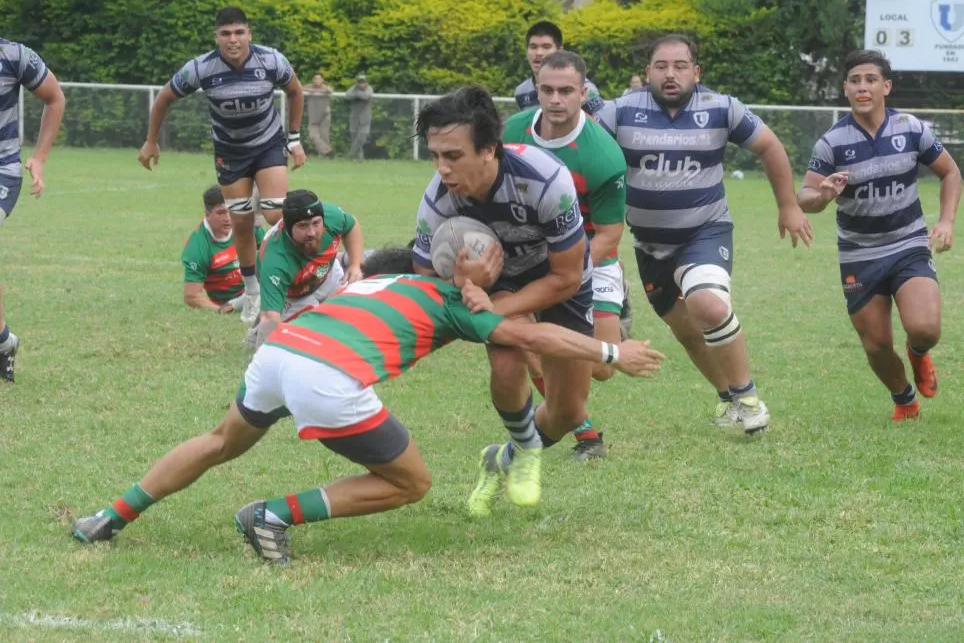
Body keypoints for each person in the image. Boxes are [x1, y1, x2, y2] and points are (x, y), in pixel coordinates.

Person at [71, 245, 666, 565]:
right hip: (326, 378)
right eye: (488, 257)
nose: (496, 265)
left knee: (220, 441)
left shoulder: (374, 281)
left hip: (281, 353)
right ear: (460, 263)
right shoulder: (453, 298)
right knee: (411, 482)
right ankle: (273, 515)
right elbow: (533, 338)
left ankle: (111, 516)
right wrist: (612, 354)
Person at [596, 33, 814, 434]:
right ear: (647, 74)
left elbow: (770, 147)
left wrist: (788, 205)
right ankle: (729, 400)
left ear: (696, 72)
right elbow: (586, 156)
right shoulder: (619, 112)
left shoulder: (721, 108)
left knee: (708, 306)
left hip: (705, 231)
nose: (670, 74)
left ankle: (748, 396)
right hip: (648, 244)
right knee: (686, 331)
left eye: (680, 66)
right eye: (661, 66)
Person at [412, 85, 598, 516]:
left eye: (453, 156)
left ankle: (501, 459)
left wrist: (494, 307)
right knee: (507, 357)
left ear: (489, 149)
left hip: (555, 278)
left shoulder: (545, 180)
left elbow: (566, 277)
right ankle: (527, 449)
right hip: (491, 284)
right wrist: (465, 283)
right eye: (435, 155)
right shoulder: (437, 201)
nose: (442, 169)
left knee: (569, 411)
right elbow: (424, 280)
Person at [796, 49, 962, 421]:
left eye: (871, 79)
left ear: (885, 86)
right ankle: (905, 400)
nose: (862, 87)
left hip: (908, 243)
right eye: (855, 80)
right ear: (846, 89)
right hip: (859, 253)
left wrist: (947, 221)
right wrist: (822, 194)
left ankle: (918, 353)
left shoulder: (911, 128)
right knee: (877, 345)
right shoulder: (832, 142)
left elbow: (950, 173)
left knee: (925, 329)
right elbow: (803, 198)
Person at [136, 6, 307, 326]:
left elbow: (296, 92)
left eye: (239, 32)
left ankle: (295, 281)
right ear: (216, 37)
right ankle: (254, 294)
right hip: (230, 153)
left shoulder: (271, 60)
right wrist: (151, 141)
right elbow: (163, 99)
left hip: (269, 145)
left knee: (273, 214)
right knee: (241, 224)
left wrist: (294, 139)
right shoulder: (200, 68)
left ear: (249, 34)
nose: (233, 40)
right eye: (226, 34)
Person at [502, 51, 628, 462]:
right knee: (527, 341)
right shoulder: (513, 132)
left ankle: (611, 317)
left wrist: (564, 270)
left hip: (591, 259)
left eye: (566, 91)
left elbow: (610, 234)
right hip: (526, 258)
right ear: (536, 88)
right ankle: (580, 428)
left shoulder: (603, 155)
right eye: (547, 90)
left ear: (583, 92)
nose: (556, 99)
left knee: (603, 368)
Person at [0, 38, 65, 383]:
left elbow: (55, 98)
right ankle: (4, 342)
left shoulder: (15, 56)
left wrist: (39, 157)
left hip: (2, 169)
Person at [254, 189, 364, 331]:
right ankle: (265, 313)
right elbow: (271, 320)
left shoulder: (331, 217)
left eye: (316, 223)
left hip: (329, 276)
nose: (311, 232)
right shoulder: (275, 260)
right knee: (295, 334)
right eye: (303, 226)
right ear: (288, 227)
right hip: (293, 296)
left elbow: (351, 225)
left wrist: (355, 265)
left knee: (355, 314)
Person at [182, 186, 267, 312]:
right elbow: (191, 296)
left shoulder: (244, 224)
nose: (227, 218)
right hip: (230, 301)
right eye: (221, 212)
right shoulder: (198, 246)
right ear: (207, 214)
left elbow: (269, 250)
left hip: (258, 285)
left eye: (230, 211)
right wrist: (219, 310)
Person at [513, 21, 604, 116]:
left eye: (546, 47)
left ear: (560, 51)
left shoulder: (585, 89)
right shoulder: (521, 92)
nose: (538, 53)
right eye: (533, 47)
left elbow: (599, 127)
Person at [304, 71, 333, 157]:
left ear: (322, 80)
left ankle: (324, 156)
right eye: (315, 79)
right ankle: (328, 151)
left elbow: (330, 90)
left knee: (325, 135)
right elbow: (300, 88)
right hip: (313, 117)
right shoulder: (309, 87)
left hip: (324, 115)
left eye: (319, 79)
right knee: (313, 135)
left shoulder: (325, 88)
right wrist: (312, 91)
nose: (317, 80)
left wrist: (322, 92)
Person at [345, 75, 374, 161]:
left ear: (366, 83)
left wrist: (356, 94)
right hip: (354, 118)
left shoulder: (369, 88)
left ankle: (350, 155)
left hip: (365, 118)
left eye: (363, 82)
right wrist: (357, 94)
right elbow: (347, 96)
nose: (361, 84)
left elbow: (366, 96)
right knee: (354, 138)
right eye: (359, 82)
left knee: (362, 137)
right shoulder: (353, 88)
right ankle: (359, 158)